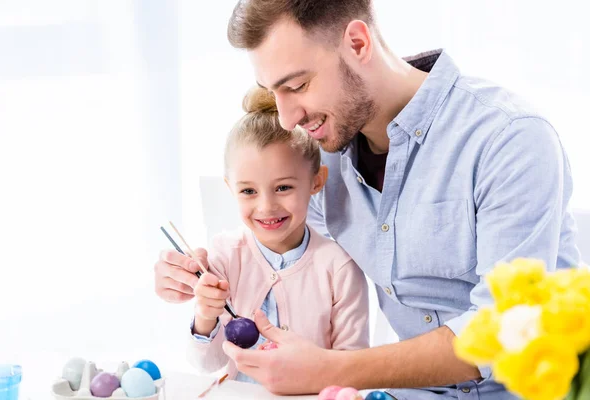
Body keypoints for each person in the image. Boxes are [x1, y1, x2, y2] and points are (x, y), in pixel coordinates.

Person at [154, 0, 581, 398]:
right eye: (273, 92)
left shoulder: (508, 138)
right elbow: (291, 260)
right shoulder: (320, 162)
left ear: (358, 44)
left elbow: (505, 333)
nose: (287, 118)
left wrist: (332, 369)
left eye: (298, 85)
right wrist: (201, 275)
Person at [181, 87, 369, 384]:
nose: (266, 207)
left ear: (316, 181)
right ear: (231, 189)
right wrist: (205, 315)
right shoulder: (225, 256)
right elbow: (208, 363)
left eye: (283, 187)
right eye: (248, 191)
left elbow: (351, 370)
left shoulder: (340, 268)